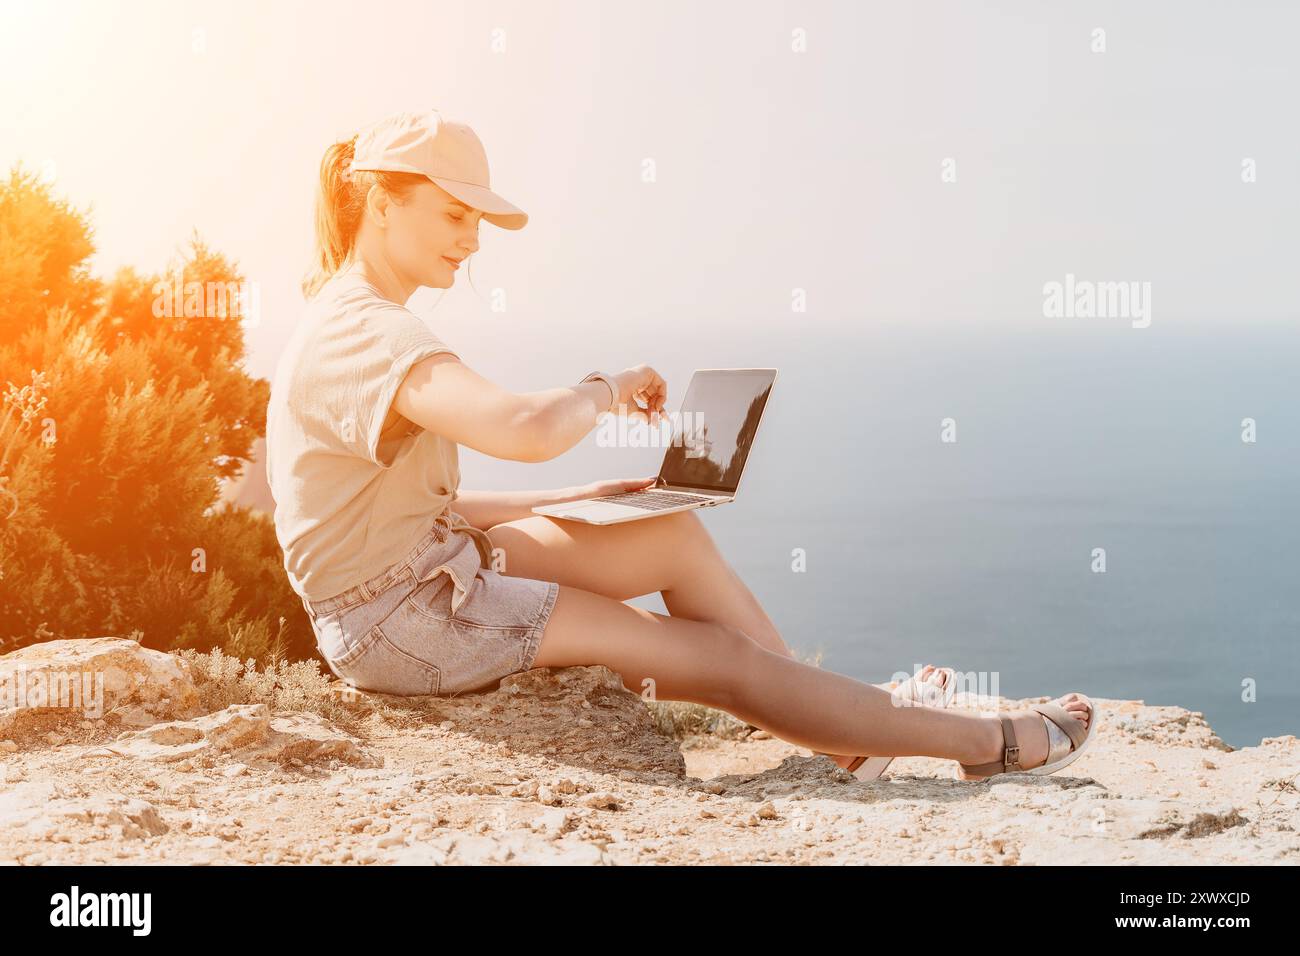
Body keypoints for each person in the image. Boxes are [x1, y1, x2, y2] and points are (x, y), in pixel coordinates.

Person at [266, 109, 1096, 782]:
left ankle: (851, 726)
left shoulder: (362, 318)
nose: (473, 238)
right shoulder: (364, 333)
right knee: (713, 657)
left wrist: (569, 501)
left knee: (670, 535)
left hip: (432, 564)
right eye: (454, 214)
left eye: (477, 218)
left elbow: (405, 510)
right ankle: (987, 745)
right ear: (380, 203)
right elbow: (525, 430)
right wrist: (609, 386)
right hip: (405, 619)